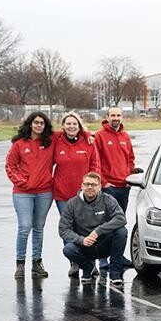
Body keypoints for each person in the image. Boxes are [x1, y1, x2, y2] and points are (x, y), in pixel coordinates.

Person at [58, 172, 133, 285]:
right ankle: (87, 268)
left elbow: (121, 218)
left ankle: (115, 272)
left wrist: (98, 231)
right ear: (82, 186)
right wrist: (81, 240)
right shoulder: (72, 203)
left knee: (121, 231)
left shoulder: (108, 200)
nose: (90, 187)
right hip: (85, 246)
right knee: (68, 249)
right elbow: (63, 230)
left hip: (104, 244)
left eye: (94, 184)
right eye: (87, 184)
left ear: (100, 187)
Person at [5, 111, 55, 279]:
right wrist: (22, 182)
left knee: (39, 228)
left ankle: (37, 262)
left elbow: (71, 130)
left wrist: (87, 134)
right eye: (36, 122)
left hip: (44, 192)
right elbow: (10, 166)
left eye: (42, 123)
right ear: (30, 124)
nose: (39, 125)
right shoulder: (19, 144)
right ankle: (20, 264)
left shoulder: (50, 142)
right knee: (24, 227)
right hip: (23, 193)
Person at [52, 112, 101, 277]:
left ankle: (91, 262)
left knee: (87, 227)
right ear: (63, 126)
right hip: (62, 194)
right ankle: (74, 262)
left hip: (85, 194)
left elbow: (95, 165)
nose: (71, 126)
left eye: (75, 124)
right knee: (68, 228)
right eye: (68, 124)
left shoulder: (88, 142)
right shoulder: (56, 141)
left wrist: (93, 186)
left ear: (79, 126)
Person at [95, 107, 135, 272]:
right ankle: (103, 259)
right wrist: (103, 182)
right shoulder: (100, 136)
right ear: (107, 117)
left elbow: (130, 158)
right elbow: (95, 161)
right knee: (105, 223)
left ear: (122, 117)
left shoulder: (125, 136)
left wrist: (129, 177)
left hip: (123, 187)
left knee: (120, 223)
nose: (116, 118)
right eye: (113, 115)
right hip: (108, 187)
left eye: (118, 115)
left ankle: (117, 257)